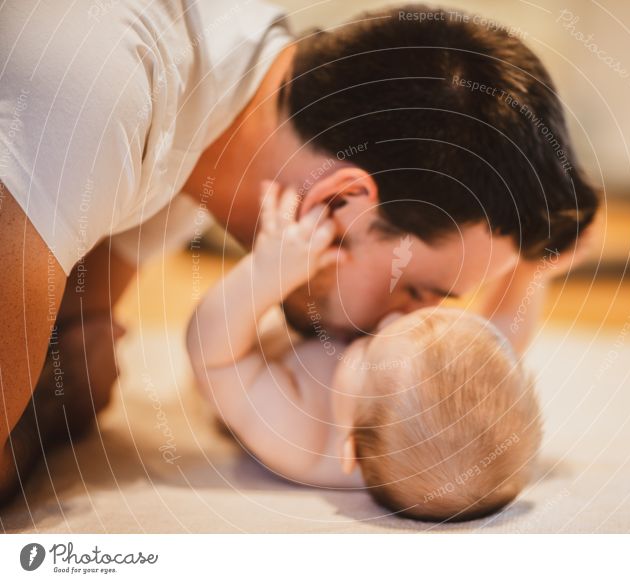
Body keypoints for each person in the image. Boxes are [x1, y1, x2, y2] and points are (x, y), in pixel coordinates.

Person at [0, 2, 596, 504]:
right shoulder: (95, 99)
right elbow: (62, 374)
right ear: (343, 203)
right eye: (417, 290)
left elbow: (78, 340)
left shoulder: (206, 137)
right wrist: (49, 405)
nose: (407, 324)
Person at [187, 183, 542, 522]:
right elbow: (502, 333)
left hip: (240, 358)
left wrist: (265, 275)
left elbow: (213, 357)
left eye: (370, 346)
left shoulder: (302, 437)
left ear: (349, 447)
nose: (389, 317)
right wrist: (531, 271)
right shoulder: (391, 406)